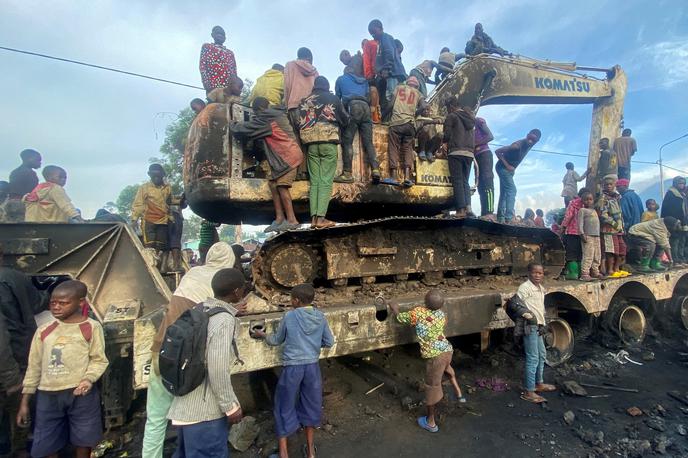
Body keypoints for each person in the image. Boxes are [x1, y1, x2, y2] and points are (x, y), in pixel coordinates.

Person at [142, 243, 238, 458]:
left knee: (156, 419)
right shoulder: (220, 281)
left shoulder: (194, 272)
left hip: (161, 348)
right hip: (185, 359)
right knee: (193, 413)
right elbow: (217, 315)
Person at [17, 280, 109, 458]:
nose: (56, 307)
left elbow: (99, 360)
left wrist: (88, 379)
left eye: (63, 303)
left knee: (85, 439)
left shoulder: (90, 327)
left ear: (81, 302)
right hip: (47, 394)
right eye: (53, 303)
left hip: (80, 394)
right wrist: (24, 402)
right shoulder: (44, 330)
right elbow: (34, 366)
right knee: (46, 442)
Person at [168, 268, 246, 458]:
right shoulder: (224, 320)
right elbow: (217, 368)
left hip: (186, 406)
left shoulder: (200, 308)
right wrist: (230, 406)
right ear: (236, 292)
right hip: (206, 413)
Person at [254, 284, 334, 458]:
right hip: (312, 368)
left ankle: (284, 453)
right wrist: (312, 345)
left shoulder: (289, 316)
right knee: (311, 405)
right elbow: (329, 342)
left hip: (292, 368)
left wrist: (263, 335)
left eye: (291, 299)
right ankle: (311, 451)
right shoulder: (320, 316)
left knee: (284, 405)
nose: (290, 302)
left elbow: (276, 340)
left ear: (296, 301)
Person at [389, 290, 464, 432]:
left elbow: (400, 318)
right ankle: (459, 394)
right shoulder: (442, 315)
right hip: (447, 350)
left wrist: (395, 308)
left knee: (431, 387)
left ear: (425, 302)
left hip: (435, 356)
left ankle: (430, 423)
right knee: (447, 371)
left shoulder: (418, 313)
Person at [0, 244, 49, 457]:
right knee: (23, 408)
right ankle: (22, 447)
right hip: (21, 354)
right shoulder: (16, 277)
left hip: (9, 361)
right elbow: (37, 303)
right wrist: (51, 292)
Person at [232, 97, 303, 232]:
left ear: (259, 109)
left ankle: (292, 220)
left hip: (288, 156)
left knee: (282, 187)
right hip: (284, 156)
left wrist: (232, 125)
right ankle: (279, 219)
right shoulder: (274, 114)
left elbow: (247, 128)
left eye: (255, 112)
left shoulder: (267, 118)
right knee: (273, 185)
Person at [298, 76, 349, 229]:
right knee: (326, 181)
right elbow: (345, 120)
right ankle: (321, 219)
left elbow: (299, 121)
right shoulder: (332, 98)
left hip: (311, 145)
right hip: (328, 142)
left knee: (315, 182)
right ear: (327, 86)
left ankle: (314, 219)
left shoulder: (305, 101)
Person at [334, 64, 381, 184]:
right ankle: (375, 170)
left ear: (345, 72)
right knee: (368, 142)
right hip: (365, 107)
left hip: (353, 106)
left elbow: (337, 100)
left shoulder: (340, 79)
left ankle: (347, 173)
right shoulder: (363, 81)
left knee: (347, 140)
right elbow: (367, 95)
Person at [517, 263, 556, 403]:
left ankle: (539, 383)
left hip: (539, 327)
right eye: (535, 273)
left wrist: (543, 322)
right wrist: (526, 316)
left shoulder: (540, 288)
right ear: (529, 273)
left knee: (541, 354)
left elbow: (539, 307)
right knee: (533, 358)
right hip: (530, 327)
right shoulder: (525, 288)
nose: (538, 275)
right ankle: (529, 391)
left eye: (540, 273)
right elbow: (514, 304)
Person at [385, 76, 425, 187]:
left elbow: (391, 104)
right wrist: (414, 114)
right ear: (416, 85)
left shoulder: (399, 88)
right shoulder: (418, 93)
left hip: (396, 123)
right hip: (410, 125)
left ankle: (393, 176)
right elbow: (423, 106)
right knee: (408, 148)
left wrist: (383, 116)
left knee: (393, 147)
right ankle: (407, 177)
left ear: (407, 83)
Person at [495, 129, 541, 223]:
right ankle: (509, 217)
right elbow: (497, 151)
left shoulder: (530, 144)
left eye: (533, 140)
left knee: (504, 192)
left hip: (509, 171)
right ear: (527, 135)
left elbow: (532, 140)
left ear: (537, 141)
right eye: (529, 138)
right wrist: (508, 166)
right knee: (512, 190)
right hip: (503, 168)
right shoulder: (516, 146)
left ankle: (500, 218)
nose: (530, 141)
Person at [443, 96, 476, 217]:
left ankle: (460, 210)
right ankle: (468, 208)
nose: (447, 110)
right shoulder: (470, 118)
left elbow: (446, 135)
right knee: (465, 182)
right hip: (469, 154)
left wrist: (443, 142)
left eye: (447, 108)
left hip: (456, 151)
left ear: (451, 106)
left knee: (457, 181)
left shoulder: (452, 116)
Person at [368, 19, 406, 117]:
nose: (373, 35)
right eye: (371, 34)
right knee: (391, 95)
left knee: (392, 96)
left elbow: (389, 53)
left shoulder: (386, 38)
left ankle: (393, 118)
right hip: (391, 73)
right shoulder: (380, 42)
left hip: (393, 73)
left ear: (381, 28)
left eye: (374, 32)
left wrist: (386, 69)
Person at [131, 164, 171, 254]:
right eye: (154, 176)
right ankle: (150, 265)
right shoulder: (144, 188)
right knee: (150, 246)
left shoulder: (167, 188)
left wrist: (182, 200)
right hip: (149, 221)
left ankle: (157, 265)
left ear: (162, 175)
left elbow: (170, 202)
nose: (156, 177)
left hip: (163, 221)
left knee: (160, 247)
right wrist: (134, 220)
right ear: (150, 175)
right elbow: (138, 204)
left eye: (158, 175)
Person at [284, 47, 319, 138]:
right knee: (310, 139)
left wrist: (287, 106)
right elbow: (317, 92)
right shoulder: (315, 71)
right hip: (310, 108)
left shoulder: (290, 65)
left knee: (297, 138)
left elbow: (287, 86)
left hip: (294, 106)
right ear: (309, 58)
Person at [596, 176, 626, 277]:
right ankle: (610, 269)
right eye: (606, 184)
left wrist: (620, 225)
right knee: (610, 250)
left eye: (611, 184)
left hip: (618, 229)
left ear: (614, 185)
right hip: (608, 229)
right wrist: (614, 223)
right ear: (603, 186)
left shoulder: (616, 197)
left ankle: (616, 268)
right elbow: (603, 215)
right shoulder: (603, 197)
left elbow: (619, 213)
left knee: (621, 249)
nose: (608, 186)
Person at [559, 187, 590, 280]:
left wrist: (563, 227)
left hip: (572, 232)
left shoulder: (573, 203)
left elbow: (568, 216)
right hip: (585, 233)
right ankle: (581, 274)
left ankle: (573, 274)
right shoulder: (589, 204)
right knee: (581, 254)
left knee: (572, 254)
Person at [199, 26, 237, 95]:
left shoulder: (230, 53)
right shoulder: (207, 47)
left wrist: (235, 86)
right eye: (218, 33)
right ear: (212, 35)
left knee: (229, 105)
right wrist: (206, 83)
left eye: (222, 34)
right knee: (214, 105)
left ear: (225, 38)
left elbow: (234, 71)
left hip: (229, 88)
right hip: (212, 86)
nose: (220, 36)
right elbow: (202, 66)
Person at [661, 176, 687, 264]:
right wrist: (674, 222)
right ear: (675, 184)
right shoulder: (671, 194)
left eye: (683, 183)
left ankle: (681, 256)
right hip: (674, 222)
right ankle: (675, 258)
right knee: (675, 240)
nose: (682, 185)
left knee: (682, 240)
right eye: (680, 183)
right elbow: (669, 209)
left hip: (684, 221)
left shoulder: (683, 194)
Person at [577, 190, 602, 281]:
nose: (588, 201)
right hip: (588, 236)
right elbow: (580, 223)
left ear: (593, 200)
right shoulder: (582, 210)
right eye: (586, 200)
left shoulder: (595, 211)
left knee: (597, 255)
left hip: (596, 236)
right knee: (588, 254)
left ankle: (595, 271)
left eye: (590, 199)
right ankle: (585, 273)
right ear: (582, 201)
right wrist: (581, 233)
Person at [472, 117, 495, 217]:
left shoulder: (478, 121)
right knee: (480, 185)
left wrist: (476, 144)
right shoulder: (468, 127)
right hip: (476, 158)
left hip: (484, 154)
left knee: (487, 181)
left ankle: (489, 212)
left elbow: (490, 136)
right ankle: (484, 213)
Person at [167, 194, 187, 272]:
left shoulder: (173, 196)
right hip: (173, 217)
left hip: (170, 217)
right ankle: (175, 265)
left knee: (174, 242)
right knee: (175, 241)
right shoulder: (168, 196)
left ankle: (175, 265)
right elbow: (182, 204)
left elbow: (184, 205)